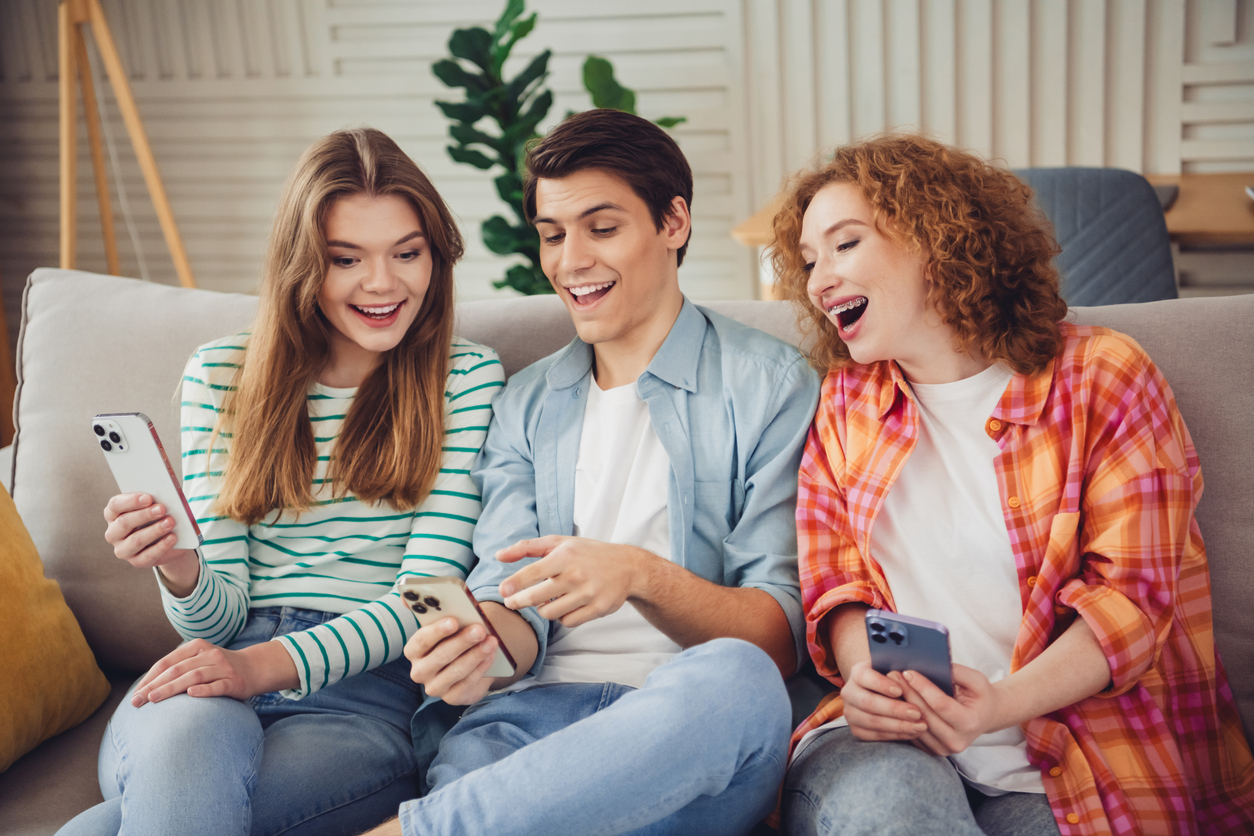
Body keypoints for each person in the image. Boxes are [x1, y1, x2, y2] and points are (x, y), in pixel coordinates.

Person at [771, 134, 1254, 836]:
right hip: (886, 744)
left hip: (1074, 758)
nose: (818, 282)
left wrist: (995, 705)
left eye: (845, 245)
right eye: (810, 261)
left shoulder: (1104, 379)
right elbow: (838, 587)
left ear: (936, 237)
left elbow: (1130, 608)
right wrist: (862, 677)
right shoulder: (844, 404)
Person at [360, 108, 821, 836]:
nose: (570, 261)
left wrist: (639, 574)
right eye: (552, 235)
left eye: (601, 229)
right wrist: (478, 650)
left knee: (742, 681)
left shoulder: (769, 385)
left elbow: (776, 640)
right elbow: (506, 600)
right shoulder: (524, 402)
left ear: (673, 223)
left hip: (685, 728)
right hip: (526, 727)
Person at [58, 128, 504, 836]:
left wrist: (258, 669)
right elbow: (217, 618)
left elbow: (425, 600)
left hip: (363, 697)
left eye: (406, 253)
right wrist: (177, 562)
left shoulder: (467, 379)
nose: (383, 283)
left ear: (435, 256)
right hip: (210, 674)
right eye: (345, 259)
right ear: (302, 265)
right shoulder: (223, 374)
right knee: (183, 760)